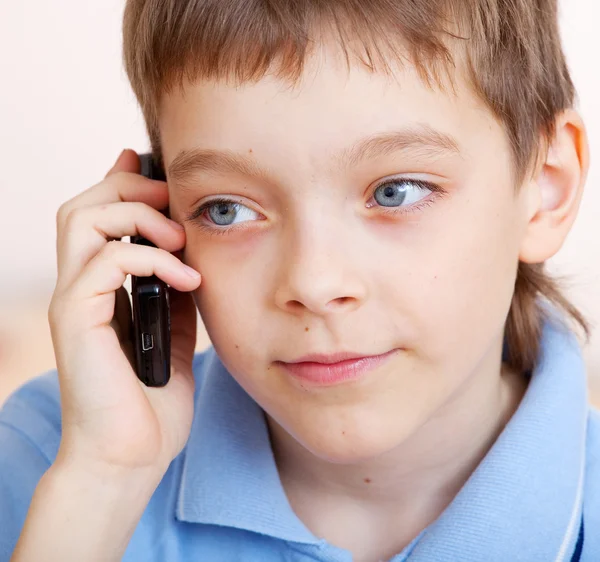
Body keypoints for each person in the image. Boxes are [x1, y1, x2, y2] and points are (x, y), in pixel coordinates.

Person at [1, 1, 598, 560]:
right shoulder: (53, 460)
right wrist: (102, 486)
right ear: (158, 220)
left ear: (546, 188)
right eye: (226, 209)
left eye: (396, 192)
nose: (313, 283)